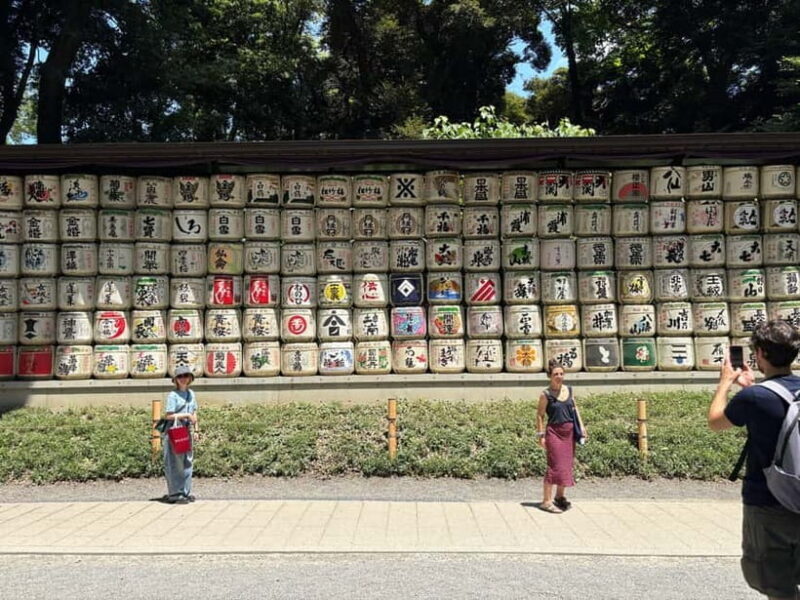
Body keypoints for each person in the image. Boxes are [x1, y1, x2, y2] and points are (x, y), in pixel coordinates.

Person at [708, 320, 800, 599]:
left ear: (760, 354)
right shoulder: (761, 393)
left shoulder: (754, 398)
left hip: (768, 502)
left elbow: (716, 421)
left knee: (775, 582)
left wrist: (725, 384)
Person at [536, 359, 587, 513]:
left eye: (561, 374)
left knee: (566, 466)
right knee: (554, 466)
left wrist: (582, 426)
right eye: (555, 374)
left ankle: (559, 497)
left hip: (569, 432)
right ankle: (546, 501)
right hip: (554, 433)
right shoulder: (545, 394)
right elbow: (539, 415)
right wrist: (540, 436)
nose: (559, 376)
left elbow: (575, 408)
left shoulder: (569, 390)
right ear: (550, 376)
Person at [163, 365, 200, 505]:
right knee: (175, 462)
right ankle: (175, 493)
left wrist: (196, 430)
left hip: (186, 430)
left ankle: (185, 492)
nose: (183, 379)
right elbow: (169, 415)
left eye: (186, 376)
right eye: (180, 377)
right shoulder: (173, 395)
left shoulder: (191, 394)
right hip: (175, 431)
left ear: (190, 378)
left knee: (187, 461)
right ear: (175, 380)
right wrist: (186, 415)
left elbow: (195, 413)